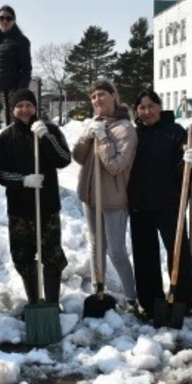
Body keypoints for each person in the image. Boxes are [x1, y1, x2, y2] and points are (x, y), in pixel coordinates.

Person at [127, 89, 192, 320]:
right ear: (136, 111)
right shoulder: (134, 133)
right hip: (140, 204)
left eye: (151, 106)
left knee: (178, 252)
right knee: (144, 255)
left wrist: (191, 160)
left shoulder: (175, 132)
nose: (147, 111)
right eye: (142, 107)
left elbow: (187, 168)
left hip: (170, 204)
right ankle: (150, 300)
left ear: (160, 107)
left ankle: (181, 297)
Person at [0, 89, 70, 310]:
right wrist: (23, 180)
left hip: (47, 206)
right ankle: (33, 300)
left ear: (35, 107)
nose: (24, 110)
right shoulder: (6, 137)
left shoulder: (51, 130)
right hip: (20, 209)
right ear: (13, 110)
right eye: (20, 106)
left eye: (29, 105)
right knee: (23, 256)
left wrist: (46, 138)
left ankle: (51, 303)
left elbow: (64, 159)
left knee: (52, 255)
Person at [73, 80, 138, 311]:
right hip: (91, 197)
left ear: (113, 96)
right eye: (93, 97)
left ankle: (131, 297)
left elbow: (115, 166)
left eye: (101, 95)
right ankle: (97, 290)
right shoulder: (94, 124)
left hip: (114, 200)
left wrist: (102, 139)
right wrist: (87, 136)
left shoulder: (126, 129)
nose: (97, 100)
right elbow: (79, 158)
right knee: (95, 246)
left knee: (116, 251)